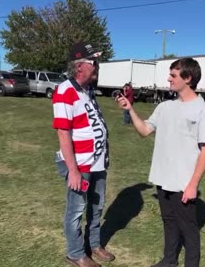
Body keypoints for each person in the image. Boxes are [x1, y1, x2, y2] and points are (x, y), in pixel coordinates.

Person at [116, 58, 205, 267]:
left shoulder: (203, 111)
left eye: (173, 75)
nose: (168, 79)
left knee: (189, 230)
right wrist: (130, 109)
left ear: (188, 78)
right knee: (169, 222)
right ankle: (169, 261)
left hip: (183, 183)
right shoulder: (165, 107)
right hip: (163, 178)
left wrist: (192, 185)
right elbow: (145, 130)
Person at [52, 42, 115, 267]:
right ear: (79, 66)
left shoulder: (88, 89)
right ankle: (76, 253)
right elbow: (63, 133)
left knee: (97, 206)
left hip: (97, 162)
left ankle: (94, 244)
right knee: (76, 210)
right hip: (80, 164)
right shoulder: (64, 91)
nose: (97, 65)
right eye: (93, 61)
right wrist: (73, 170)